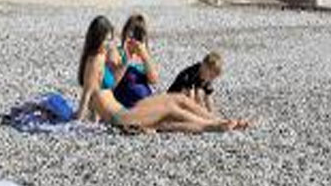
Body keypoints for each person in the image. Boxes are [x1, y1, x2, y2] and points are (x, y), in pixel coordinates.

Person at [74, 16, 245, 132]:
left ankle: (216, 120)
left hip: (127, 110)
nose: (109, 43)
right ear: (96, 38)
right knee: (169, 113)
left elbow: (103, 92)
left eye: (111, 38)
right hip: (120, 117)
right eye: (106, 39)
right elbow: (88, 93)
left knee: (179, 100)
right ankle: (213, 126)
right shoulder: (96, 58)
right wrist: (76, 121)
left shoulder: (101, 56)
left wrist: (94, 116)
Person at [113, 13, 161, 108]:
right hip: (125, 104)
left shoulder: (145, 56)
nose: (134, 40)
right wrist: (126, 60)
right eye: (131, 35)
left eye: (138, 36)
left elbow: (154, 80)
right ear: (124, 34)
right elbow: (112, 83)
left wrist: (144, 56)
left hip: (145, 103)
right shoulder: (117, 52)